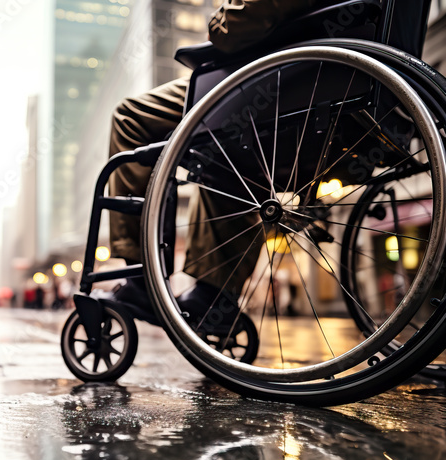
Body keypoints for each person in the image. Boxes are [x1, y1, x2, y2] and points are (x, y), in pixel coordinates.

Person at [104, 0, 320, 324]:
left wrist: (221, 17)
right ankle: (214, 295)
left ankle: (142, 277)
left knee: (131, 116)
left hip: (280, 83)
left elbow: (236, 25)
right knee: (222, 156)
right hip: (320, 83)